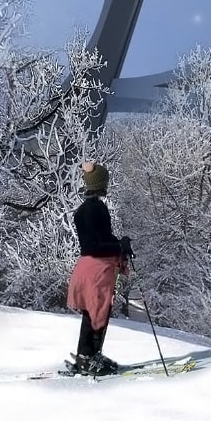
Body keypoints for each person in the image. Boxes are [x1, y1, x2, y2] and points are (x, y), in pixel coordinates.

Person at [66, 161, 133, 376]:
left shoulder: (85, 209)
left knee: (91, 312)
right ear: (101, 183)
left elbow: (98, 240)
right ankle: (89, 359)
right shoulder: (95, 209)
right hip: (96, 270)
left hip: (87, 268)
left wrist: (119, 244)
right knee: (98, 313)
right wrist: (118, 246)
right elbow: (94, 245)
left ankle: (88, 355)